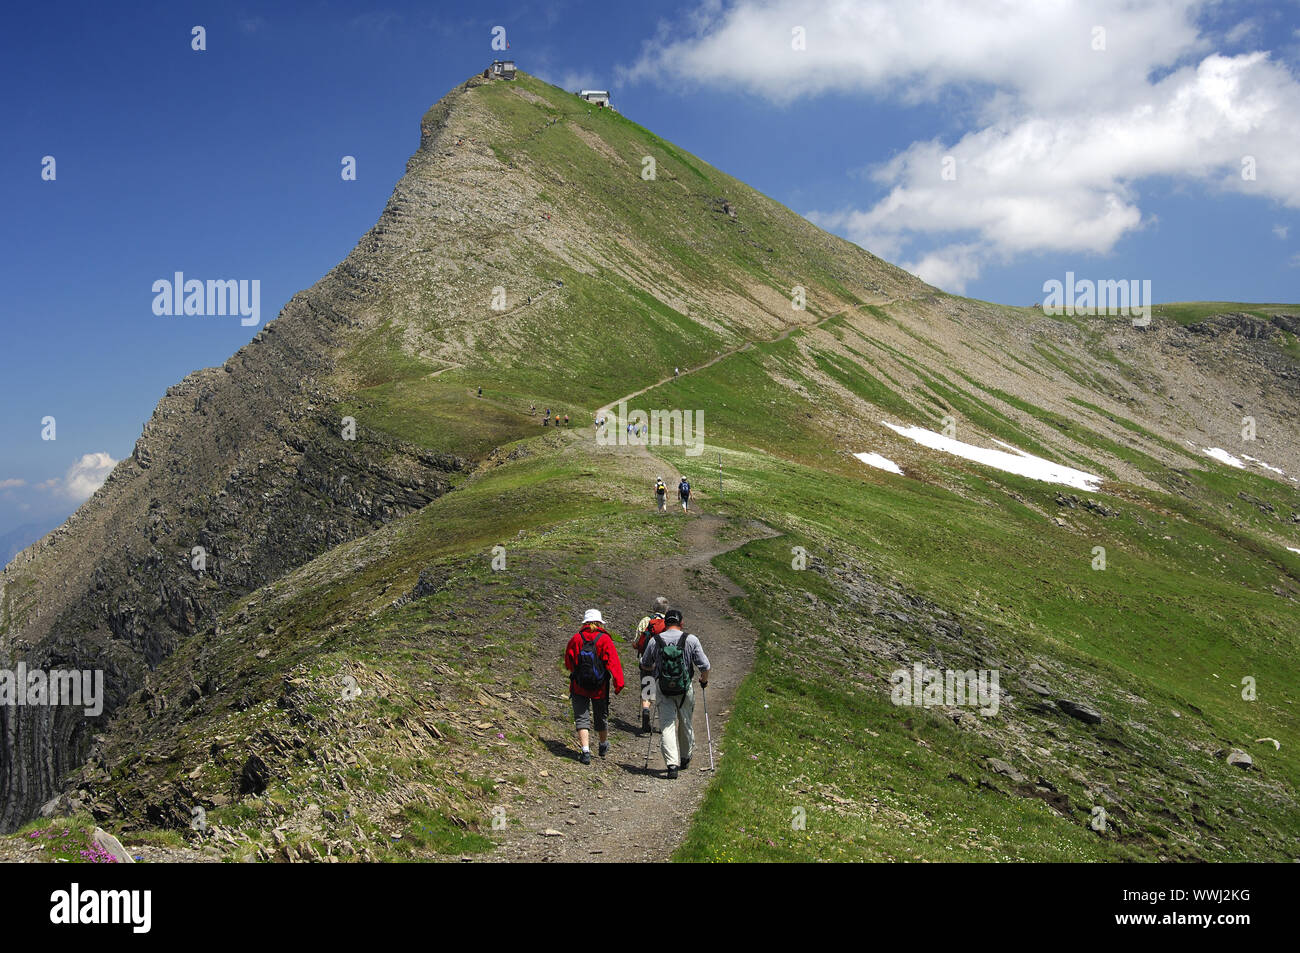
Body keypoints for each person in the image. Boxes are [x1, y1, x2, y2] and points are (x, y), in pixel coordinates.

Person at [640, 609, 710, 779]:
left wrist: (656, 670)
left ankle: (672, 765)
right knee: (685, 721)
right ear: (681, 623)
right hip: (685, 688)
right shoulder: (691, 639)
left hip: (663, 689)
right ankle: (685, 757)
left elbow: (645, 664)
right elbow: (705, 666)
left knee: (667, 725)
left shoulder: (655, 641)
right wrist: (703, 681)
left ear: (665, 624)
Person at [564, 609, 625, 764]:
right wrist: (618, 684)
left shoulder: (576, 638)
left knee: (581, 717)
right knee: (601, 715)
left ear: (584, 622)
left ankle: (585, 751)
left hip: (579, 686)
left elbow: (568, 662)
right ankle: (603, 744)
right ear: (599, 623)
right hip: (599, 687)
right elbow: (614, 663)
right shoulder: (605, 639)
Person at [633, 597, 670, 734]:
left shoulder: (646, 621)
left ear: (654, 607)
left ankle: (646, 709)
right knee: (662, 692)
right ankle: (663, 723)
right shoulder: (669, 623)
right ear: (666, 610)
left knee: (647, 688)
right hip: (665, 664)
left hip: (647, 663)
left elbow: (636, 642)